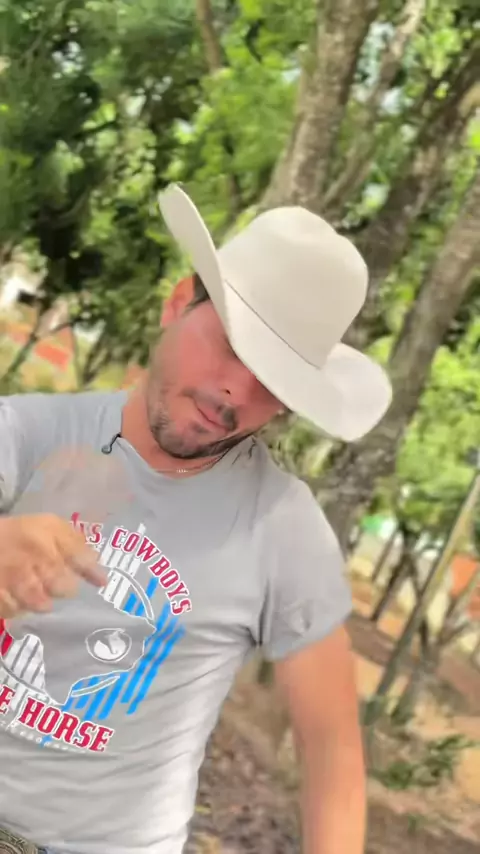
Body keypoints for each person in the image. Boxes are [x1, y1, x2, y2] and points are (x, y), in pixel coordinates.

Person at [0, 184, 391, 854]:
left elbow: (331, 751)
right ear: (179, 302)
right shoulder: (27, 433)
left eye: (273, 381)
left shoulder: (282, 528)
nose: (237, 390)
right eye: (231, 346)